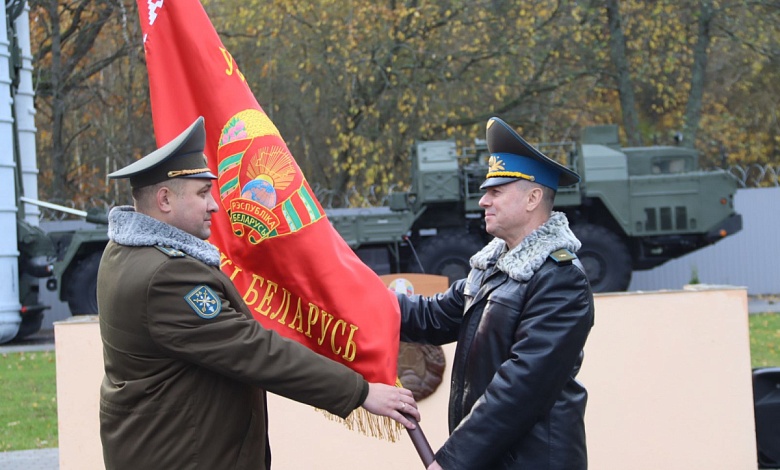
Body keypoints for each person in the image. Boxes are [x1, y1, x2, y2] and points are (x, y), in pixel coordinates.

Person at [97, 116, 420, 470]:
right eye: (202, 193)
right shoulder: (166, 276)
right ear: (164, 200)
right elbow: (252, 350)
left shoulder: (124, 252)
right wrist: (360, 391)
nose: (214, 205)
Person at [397, 117, 594, 470]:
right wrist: (357, 296)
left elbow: (521, 389)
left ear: (533, 198)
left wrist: (452, 461)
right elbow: (430, 316)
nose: (483, 201)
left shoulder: (561, 279)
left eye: (496, 191)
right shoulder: (493, 269)